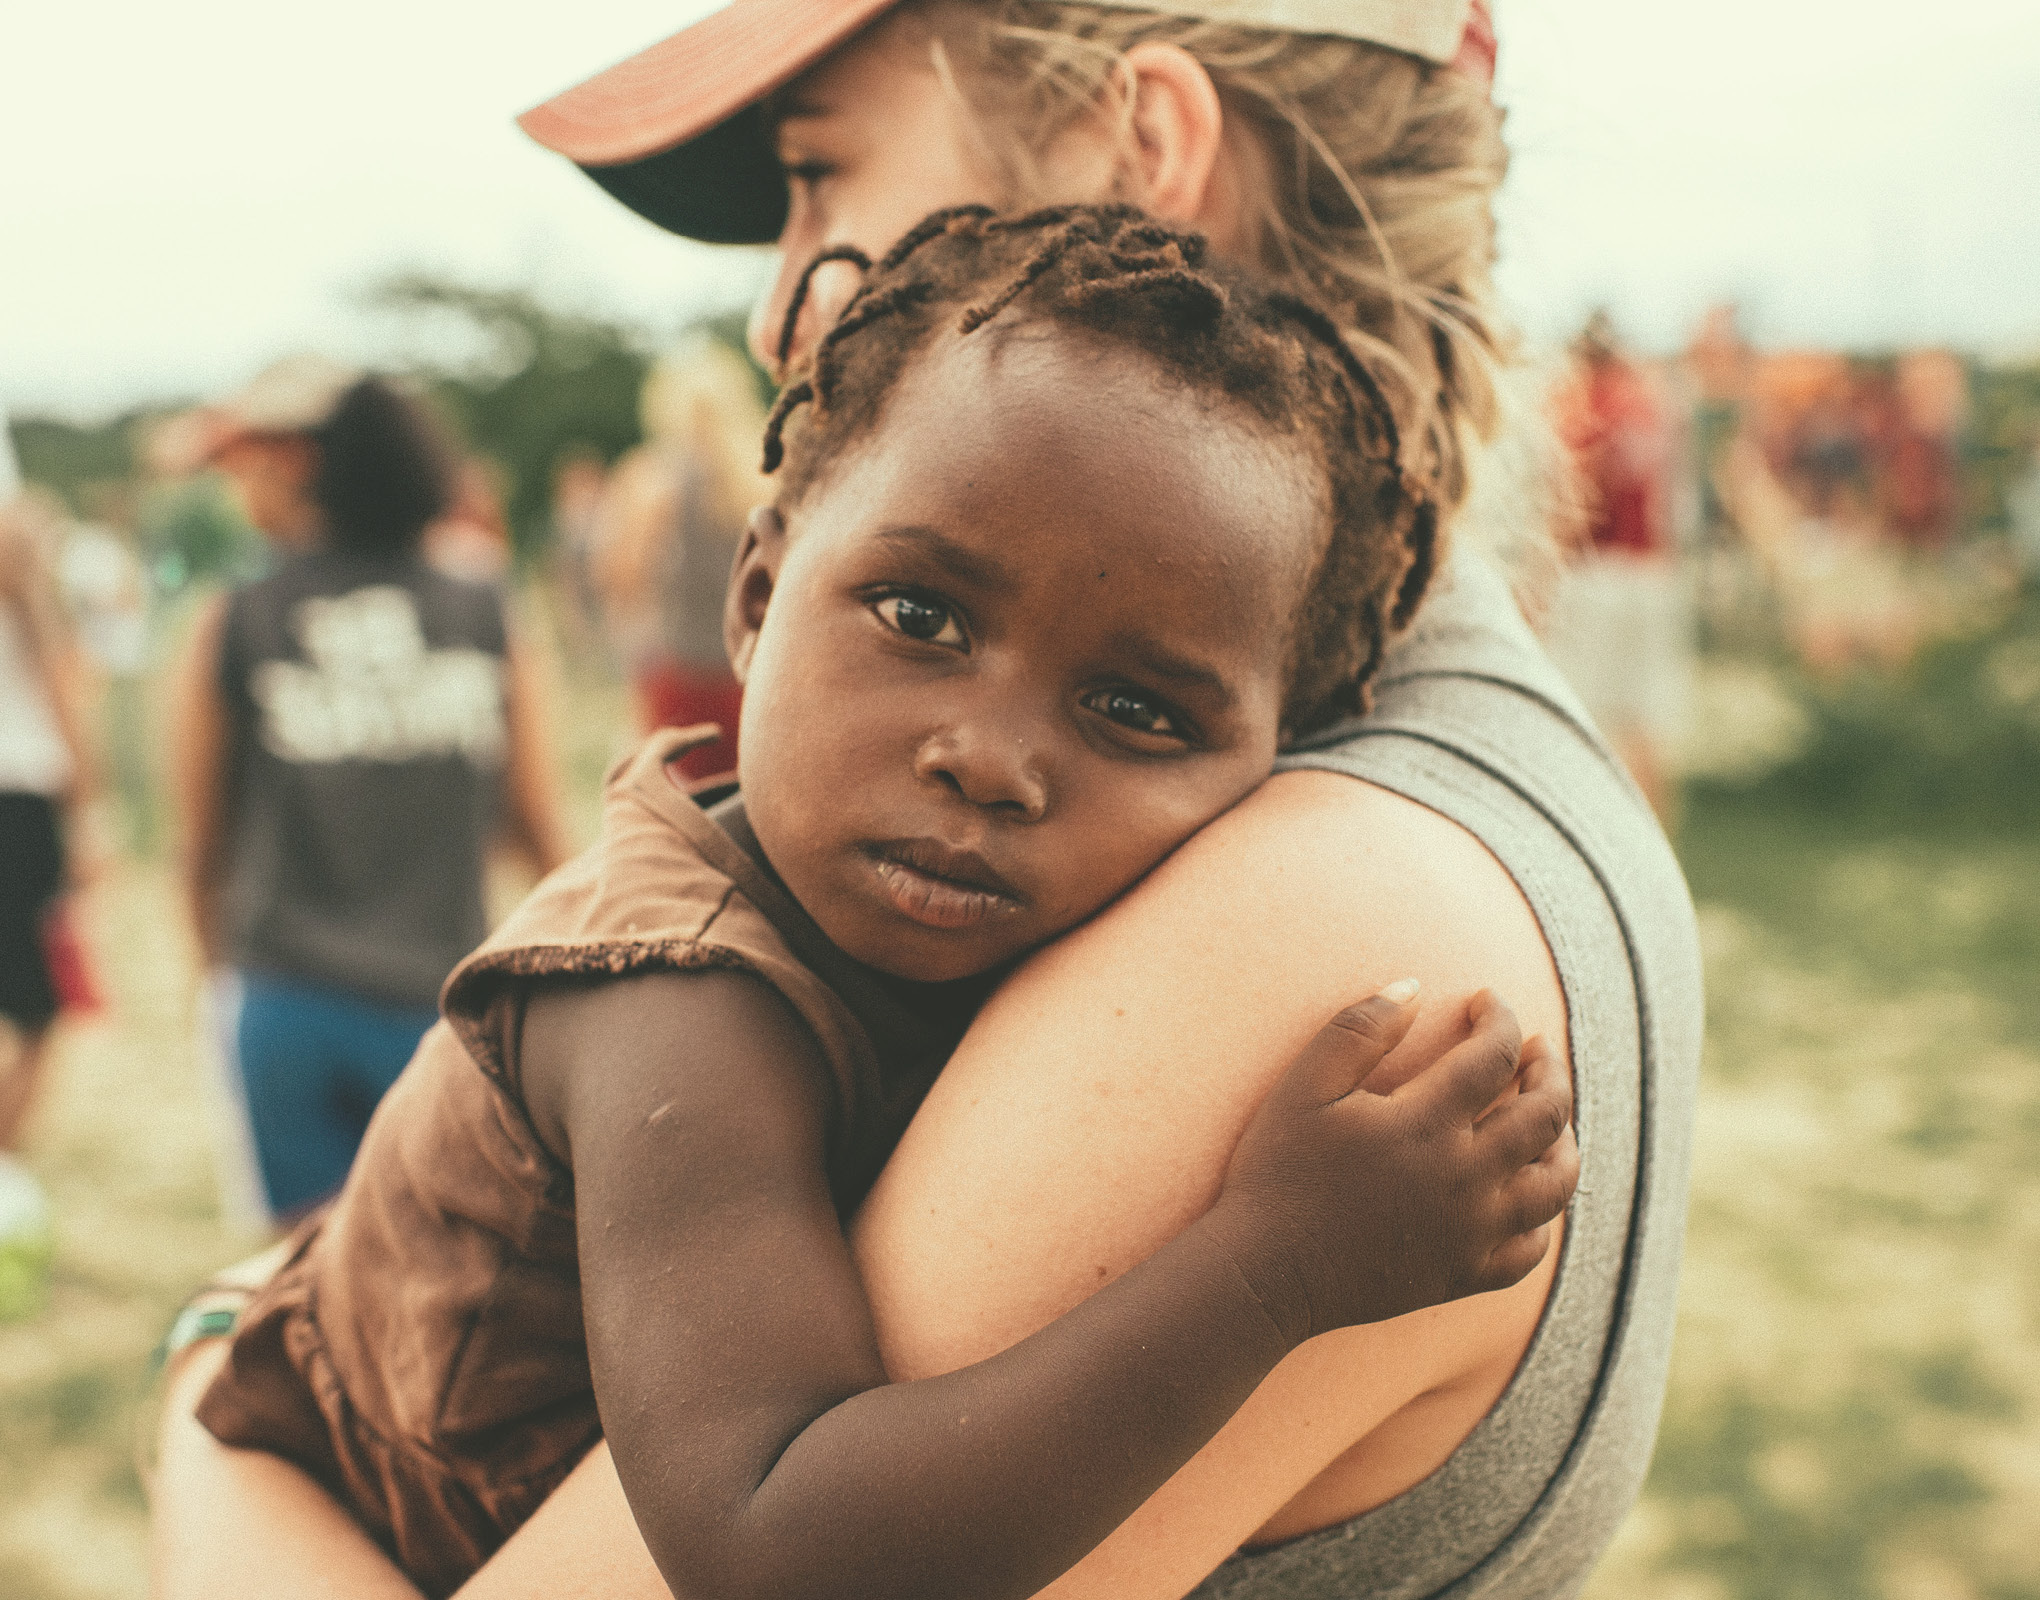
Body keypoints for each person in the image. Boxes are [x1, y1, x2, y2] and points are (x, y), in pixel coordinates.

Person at [155, 4, 1705, 1596]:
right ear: (761, 591)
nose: (776, 310)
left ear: (1140, 154)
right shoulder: (689, 988)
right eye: (919, 616)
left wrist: (208, 1403)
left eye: (819, 179)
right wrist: (1272, 1272)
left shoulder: (1342, 903)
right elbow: (777, 1533)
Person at [168, 358, 572, 1223]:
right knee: (448, 1272)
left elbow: (200, 842)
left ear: (303, 466)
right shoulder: (484, 607)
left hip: (286, 998)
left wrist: (218, 980)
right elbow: (538, 821)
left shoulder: (241, 614)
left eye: (252, 468)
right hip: (444, 1005)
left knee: (308, 1277)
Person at [0, 449, 102, 1316]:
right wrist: (89, 813)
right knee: (38, 1003)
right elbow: (65, 701)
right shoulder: (26, 592)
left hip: (23, 799)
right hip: (22, 800)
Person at [595, 337, 764, 780]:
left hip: (680, 672)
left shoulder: (652, 478)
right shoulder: (764, 475)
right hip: (754, 674)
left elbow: (620, 579)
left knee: (681, 801)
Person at [1546, 310, 1690, 823]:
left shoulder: (1583, 407)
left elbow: (1576, 501)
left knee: (1584, 718)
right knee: (1646, 721)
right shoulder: (1652, 404)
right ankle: (1658, 845)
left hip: (1597, 575)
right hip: (1652, 572)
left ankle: (1596, 835)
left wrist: (1543, 581)